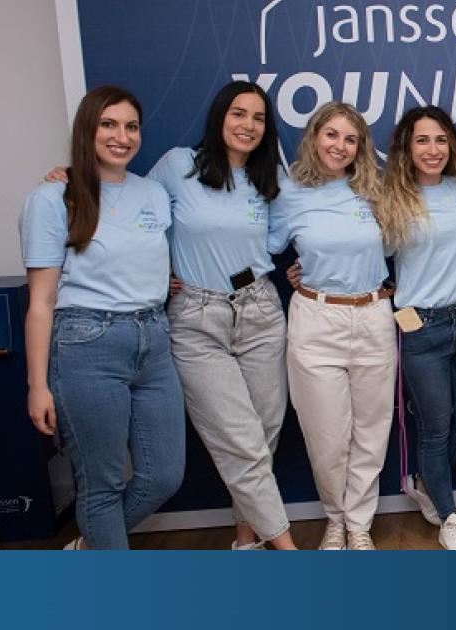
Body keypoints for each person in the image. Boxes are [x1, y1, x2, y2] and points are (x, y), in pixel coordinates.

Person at [20, 85, 184, 549]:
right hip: (86, 343)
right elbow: (41, 301)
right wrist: (37, 385)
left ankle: (90, 547)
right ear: (87, 130)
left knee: (164, 475)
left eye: (131, 126)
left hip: (154, 339)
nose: (121, 136)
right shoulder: (52, 198)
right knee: (102, 484)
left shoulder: (154, 193)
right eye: (108, 125)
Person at [148, 81, 296, 551]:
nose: (248, 125)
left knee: (264, 434)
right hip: (197, 319)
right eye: (238, 113)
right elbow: (131, 209)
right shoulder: (178, 166)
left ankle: (245, 539)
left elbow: (286, 235)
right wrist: (70, 178)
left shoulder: (270, 177)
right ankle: (289, 551)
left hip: (260, 311)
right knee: (240, 441)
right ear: (219, 117)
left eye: (258, 118)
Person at [268, 102, 393, 551]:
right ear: (314, 136)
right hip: (316, 318)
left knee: (371, 430)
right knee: (327, 438)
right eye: (332, 134)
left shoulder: (375, 189)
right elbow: (258, 245)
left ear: (361, 147)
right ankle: (335, 519)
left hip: (373, 314)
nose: (340, 146)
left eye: (350, 139)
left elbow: (407, 243)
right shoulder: (288, 192)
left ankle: (358, 525)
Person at [377, 105, 456, 550]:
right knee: (436, 429)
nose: (433, 149)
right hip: (420, 327)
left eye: (441, 139)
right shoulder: (391, 197)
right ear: (406, 148)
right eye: (422, 140)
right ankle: (449, 518)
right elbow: (363, 255)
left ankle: (426, 479)